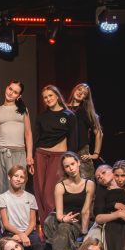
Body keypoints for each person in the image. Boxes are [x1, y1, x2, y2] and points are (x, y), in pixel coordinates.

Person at [42, 152, 95, 250]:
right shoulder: (60, 186)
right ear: (64, 169)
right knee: (64, 227)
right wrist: (64, 219)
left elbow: (85, 211)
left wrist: (84, 233)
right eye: (67, 166)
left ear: (78, 163)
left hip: (80, 221)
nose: (71, 168)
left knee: (67, 230)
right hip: (63, 220)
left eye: (72, 164)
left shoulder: (89, 184)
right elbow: (59, 213)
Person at [33, 85, 78, 221]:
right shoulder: (42, 117)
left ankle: (53, 223)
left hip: (58, 157)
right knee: (40, 192)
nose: (48, 99)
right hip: (40, 154)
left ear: (57, 96)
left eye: (50, 95)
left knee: (49, 193)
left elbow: (73, 139)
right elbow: (36, 138)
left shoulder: (68, 115)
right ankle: (44, 225)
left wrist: (70, 159)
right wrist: (30, 158)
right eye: (45, 97)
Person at [0, 81, 33, 198]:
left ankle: (17, 210)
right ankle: (1, 210)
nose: (11, 93)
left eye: (15, 92)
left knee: (18, 185)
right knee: (0, 186)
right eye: (10, 89)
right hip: (0, 151)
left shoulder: (23, 110)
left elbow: (28, 134)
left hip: (18, 152)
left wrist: (29, 155)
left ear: (19, 96)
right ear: (6, 88)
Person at [0, 165, 43, 250]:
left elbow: (33, 222)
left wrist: (24, 235)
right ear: (9, 177)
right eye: (16, 176)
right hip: (11, 232)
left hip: (29, 231)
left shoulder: (30, 197)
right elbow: (6, 224)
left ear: (24, 180)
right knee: (8, 246)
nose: (18, 179)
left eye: (21, 177)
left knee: (37, 244)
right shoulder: (3, 197)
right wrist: (20, 234)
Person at [67, 83, 103, 180]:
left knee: (86, 181)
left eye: (84, 93)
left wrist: (96, 154)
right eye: (79, 90)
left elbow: (99, 132)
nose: (80, 93)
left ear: (85, 98)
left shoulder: (86, 111)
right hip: (65, 150)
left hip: (81, 151)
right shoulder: (64, 109)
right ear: (74, 89)